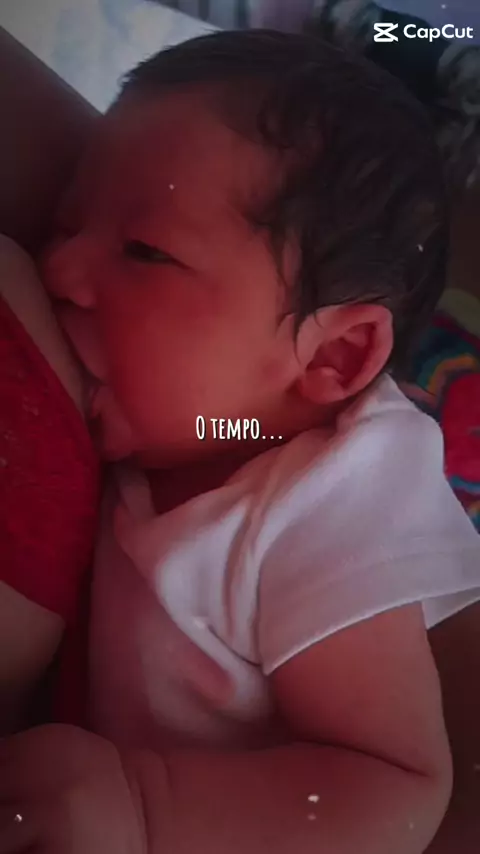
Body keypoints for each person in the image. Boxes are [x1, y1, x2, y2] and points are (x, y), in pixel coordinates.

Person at [2, 27, 480, 854]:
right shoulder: (205, 431)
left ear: (333, 356)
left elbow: (400, 786)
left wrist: (148, 806)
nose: (61, 273)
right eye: (67, 225)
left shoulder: (329, 502)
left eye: (145, 252)